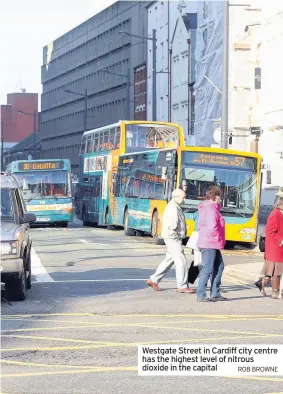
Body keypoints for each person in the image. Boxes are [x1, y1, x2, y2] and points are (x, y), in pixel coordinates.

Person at [147, 189, 194, 293]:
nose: (184, 199)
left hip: (172, 237)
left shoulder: (175, 206)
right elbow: (172, 227)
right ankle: (182, 285)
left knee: (169, 260)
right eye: (183, 197)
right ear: (176, 197)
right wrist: (177, 238)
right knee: (181, 261)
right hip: (173, 238)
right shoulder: (173, 209)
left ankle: (153, 280)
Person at [196, 186, 227, 302]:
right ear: (215, 197)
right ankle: (201, 295)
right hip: (209, 242)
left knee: (219, 266)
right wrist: (219, 239)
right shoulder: (210, 208)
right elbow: (212, 226)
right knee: (208, 268)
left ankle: (215, 293)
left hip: (212, 242)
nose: (221, 199)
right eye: (219, 196)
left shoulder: (212, 208)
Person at [260, 190, 283, 299]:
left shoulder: (279, 213)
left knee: (274, 272)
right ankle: (275, 292)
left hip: (277, 247)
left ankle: (262, 285)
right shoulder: (275, 214)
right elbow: (270, 232)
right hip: (275, 247)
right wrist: (280, 240)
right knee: (276, 272)